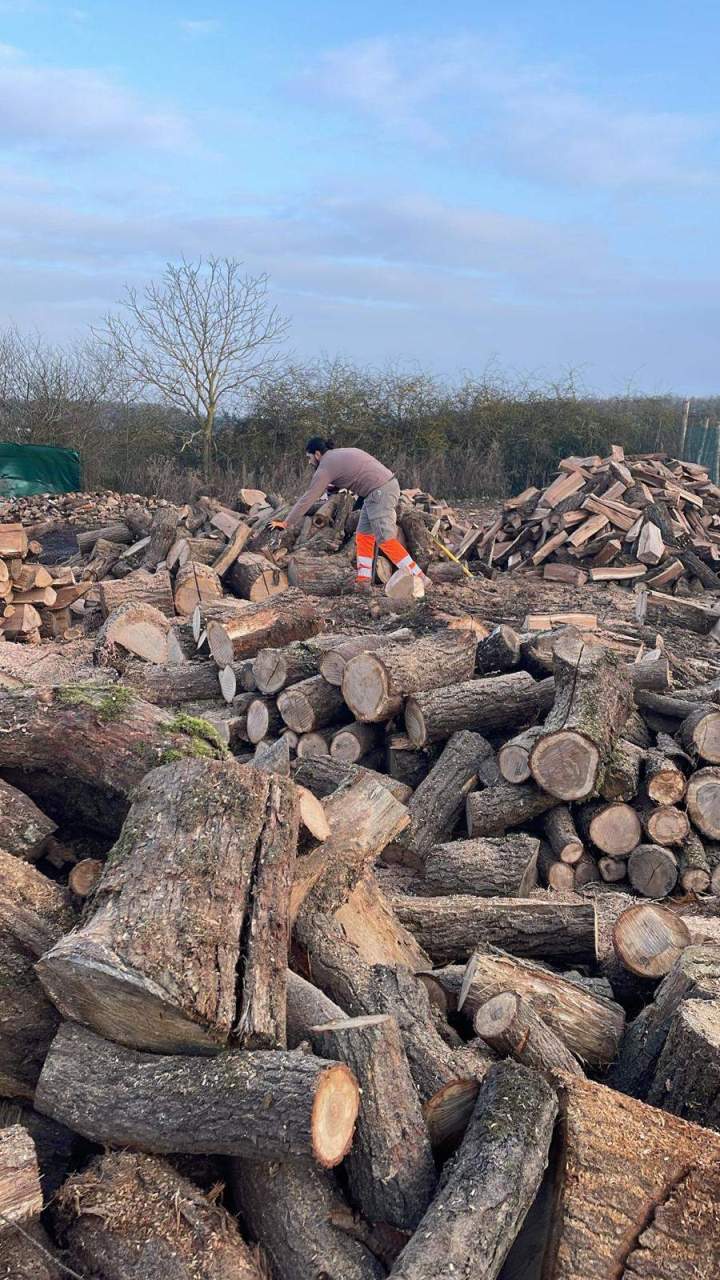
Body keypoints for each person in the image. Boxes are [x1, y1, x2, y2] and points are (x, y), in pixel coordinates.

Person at [280, 438, 425, 589]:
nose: (309, 462)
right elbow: (349, 475)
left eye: (309, 457)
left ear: (317, 454)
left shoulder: (326, 465)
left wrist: (286, 522)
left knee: (385, 539)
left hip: (380, 492)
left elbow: (308, 497)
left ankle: (418, 577)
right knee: (363, 535)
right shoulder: (338, 455)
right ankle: (364, 580)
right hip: (378, 490)